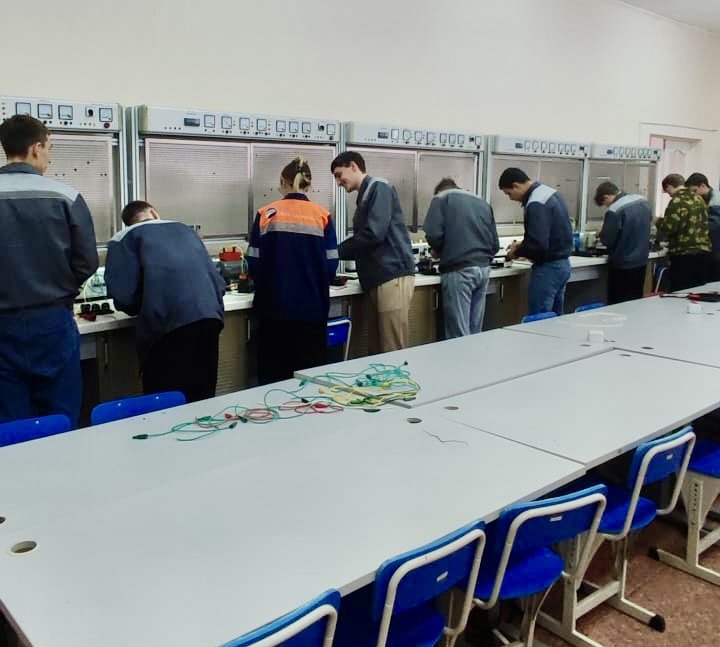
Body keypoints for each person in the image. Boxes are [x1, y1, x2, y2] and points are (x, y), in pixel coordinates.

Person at [0, 115, 98, 427]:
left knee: (11, 424)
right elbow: (87, 262)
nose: (49, 158)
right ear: (36, 148)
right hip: (52, 321)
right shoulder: (65, 196)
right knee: (60, 416)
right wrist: (61, 287)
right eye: (49, 149)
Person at [105, 201, 225, 402]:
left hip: (166, 326)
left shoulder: (123, 238)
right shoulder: (185, 230)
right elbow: (218, 283)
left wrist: (144, 303)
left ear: (128, 222)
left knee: (165, 401)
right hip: (209, 320)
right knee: (202, 397)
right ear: (154, 212)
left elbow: (124, 297)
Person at [247, 157, 338, 385]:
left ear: (283, 182)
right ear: (309, 185)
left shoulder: (266, 213)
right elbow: (330, 265)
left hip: (273, 310)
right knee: (309, 379)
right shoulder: (322, 215)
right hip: (312, 311)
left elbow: (254, 263)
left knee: (273, 381)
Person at [331, 151, 415, 354]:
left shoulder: (379, 187)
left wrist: (335, 252)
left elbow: (373, 233)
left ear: (353, 166)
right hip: (378, 279)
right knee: (376, 348)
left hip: (391, 276)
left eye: (339, 175)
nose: (338, 182)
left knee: (391, 347)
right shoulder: (366, 194)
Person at [424, 177, 499, 337]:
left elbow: (433, 234)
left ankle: (460, 355)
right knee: (475, 330)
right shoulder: (482, 202)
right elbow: (495, 244)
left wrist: (439, 251)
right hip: (484, 270)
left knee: (458, 333)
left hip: (459, 270)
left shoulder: (441, 198)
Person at [498, 168, 573, 315]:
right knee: (555, 318)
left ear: (516, 186)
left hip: (548, 269)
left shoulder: (536, 203)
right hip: (562, 264)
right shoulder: (549, 193)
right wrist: (522, 244)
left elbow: (537, 245)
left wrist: (516, 252)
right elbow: (550, 233)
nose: (510, 198)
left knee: (539, 318)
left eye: (509, 193)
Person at [593, 181, 652, 304]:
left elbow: (608, 239)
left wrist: (601, 234)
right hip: (641, 260)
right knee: (635, 300)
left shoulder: (615, 209)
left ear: (606, 197)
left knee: (618, 302)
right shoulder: (642, 201)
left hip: (623, 263)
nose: (607, 206)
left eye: (605, 204)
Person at [656, 174, 711, 291]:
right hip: (702, 251)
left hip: (683, 253)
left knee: (680, 290)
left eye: (667, 191)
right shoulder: (699, 199)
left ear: (670, 186)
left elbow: (670, 228)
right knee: (697, 290)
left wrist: (658, 223)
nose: (669, 194)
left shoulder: (676, 201)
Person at [686, 172, 720, 281]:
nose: (694, 195)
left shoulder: (715, 202)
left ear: (703, 186)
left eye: (695, 191)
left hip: (715, 251)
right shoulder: (708, 199)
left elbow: (713, 227)